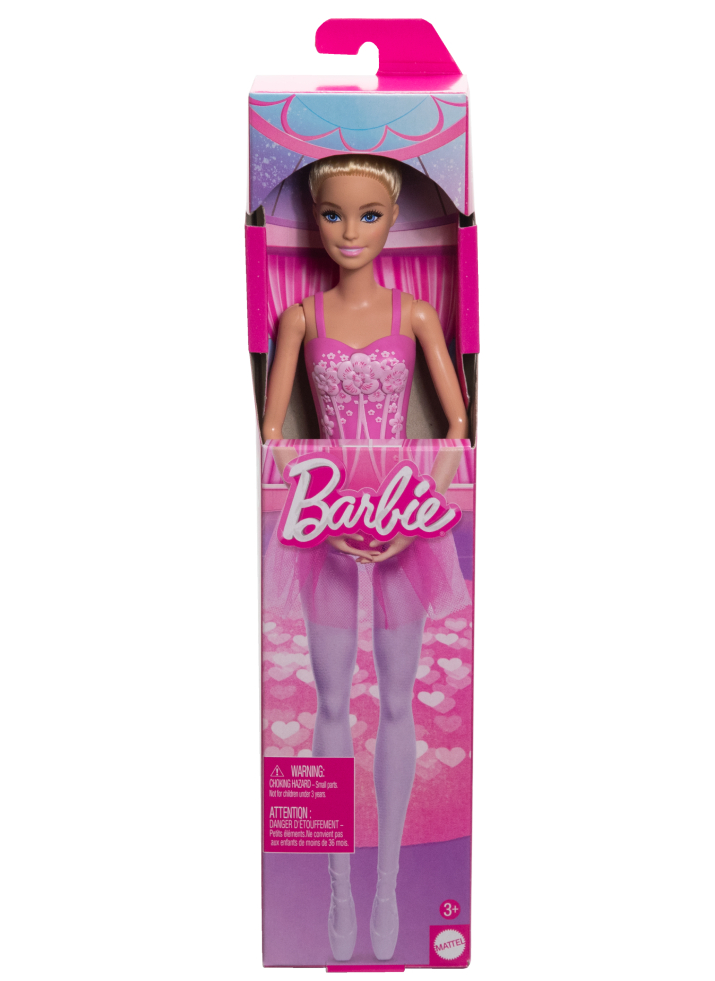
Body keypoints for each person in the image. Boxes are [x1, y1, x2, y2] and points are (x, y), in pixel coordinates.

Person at [262, 154, 469, 961]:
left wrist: (420, 511)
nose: (350, 231)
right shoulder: (299, 319)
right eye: (333, 214)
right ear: (315, 217)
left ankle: (386, 885)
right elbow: (272, 434)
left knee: (395, 700)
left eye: (369, 215)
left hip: (400, 509)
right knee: (328, 700)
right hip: (326, 515)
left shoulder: (415, 315)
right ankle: (337, 886)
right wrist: (313, 504)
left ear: (390, 219)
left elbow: (456, 426)